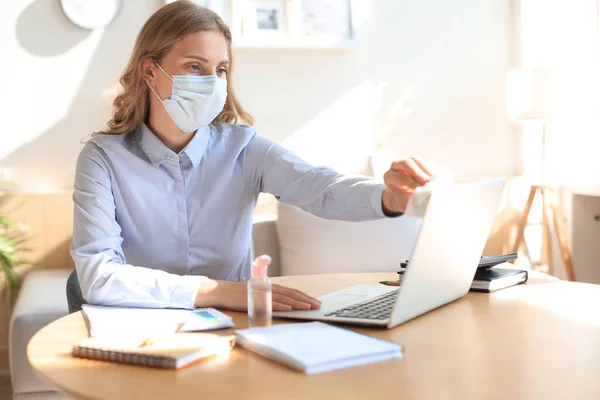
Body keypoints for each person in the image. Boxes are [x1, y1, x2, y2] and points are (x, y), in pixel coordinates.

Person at [71, 1, 435, 313]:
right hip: (138, 327)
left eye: (220, 70)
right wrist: (221, 291)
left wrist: (387, 198)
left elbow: (320, 187)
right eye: (195, 67)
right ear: (150, 71)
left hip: (233, 327)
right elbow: (99, 277)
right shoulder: (102, 159)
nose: (212, 81)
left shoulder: (244, 148)